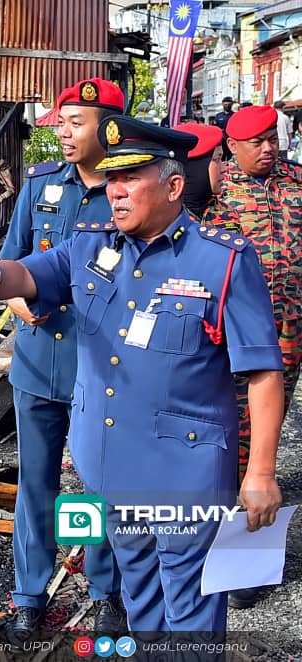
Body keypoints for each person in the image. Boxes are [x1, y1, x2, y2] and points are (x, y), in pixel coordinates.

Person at [0, 115, 284, 636]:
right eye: (112, 179)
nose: (117, 191)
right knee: (141, 597)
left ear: (174, 186)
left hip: (185, 476)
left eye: (131, 178)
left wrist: (260, 472)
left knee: (192, 606)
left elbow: (264, 373)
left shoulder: (221, 262)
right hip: (110, 469)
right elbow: (31, 273)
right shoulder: (91, 248)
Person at [0, 78, 124, 647]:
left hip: (103, 368)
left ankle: (105, 591)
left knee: (96, 485)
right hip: (38, 359)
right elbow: (12, 260)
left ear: (110, 126)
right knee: (37, 484)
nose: (65, 133)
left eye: (77, 122)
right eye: (61, 123)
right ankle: (29, 594)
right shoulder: (41, 184)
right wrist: (22, 301)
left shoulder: (131, 188)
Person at [201, 104, 302, 609]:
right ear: (233, 149)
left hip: (295, 335)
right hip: (245, 343)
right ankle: (239, 562)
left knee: (271, 443)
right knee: (246, 450)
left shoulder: (298, 182)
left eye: (271, 139)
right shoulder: (218, 196)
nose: (267, 148)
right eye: (255, 142)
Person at [175, 123, 224, 219]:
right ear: (195, 166)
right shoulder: (163, 220)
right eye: (216, 159)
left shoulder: (227, 213)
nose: (224, 169)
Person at [215, 96, 236, 160]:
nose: (227, 106)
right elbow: (215, 127)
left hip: (232, 139)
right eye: (226, 104)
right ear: (223, 104)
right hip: (221, 140)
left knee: (231, 157)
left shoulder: (235, 115)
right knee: (221, 157)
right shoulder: (218, 116)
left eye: (229, 104)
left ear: (232, 104)